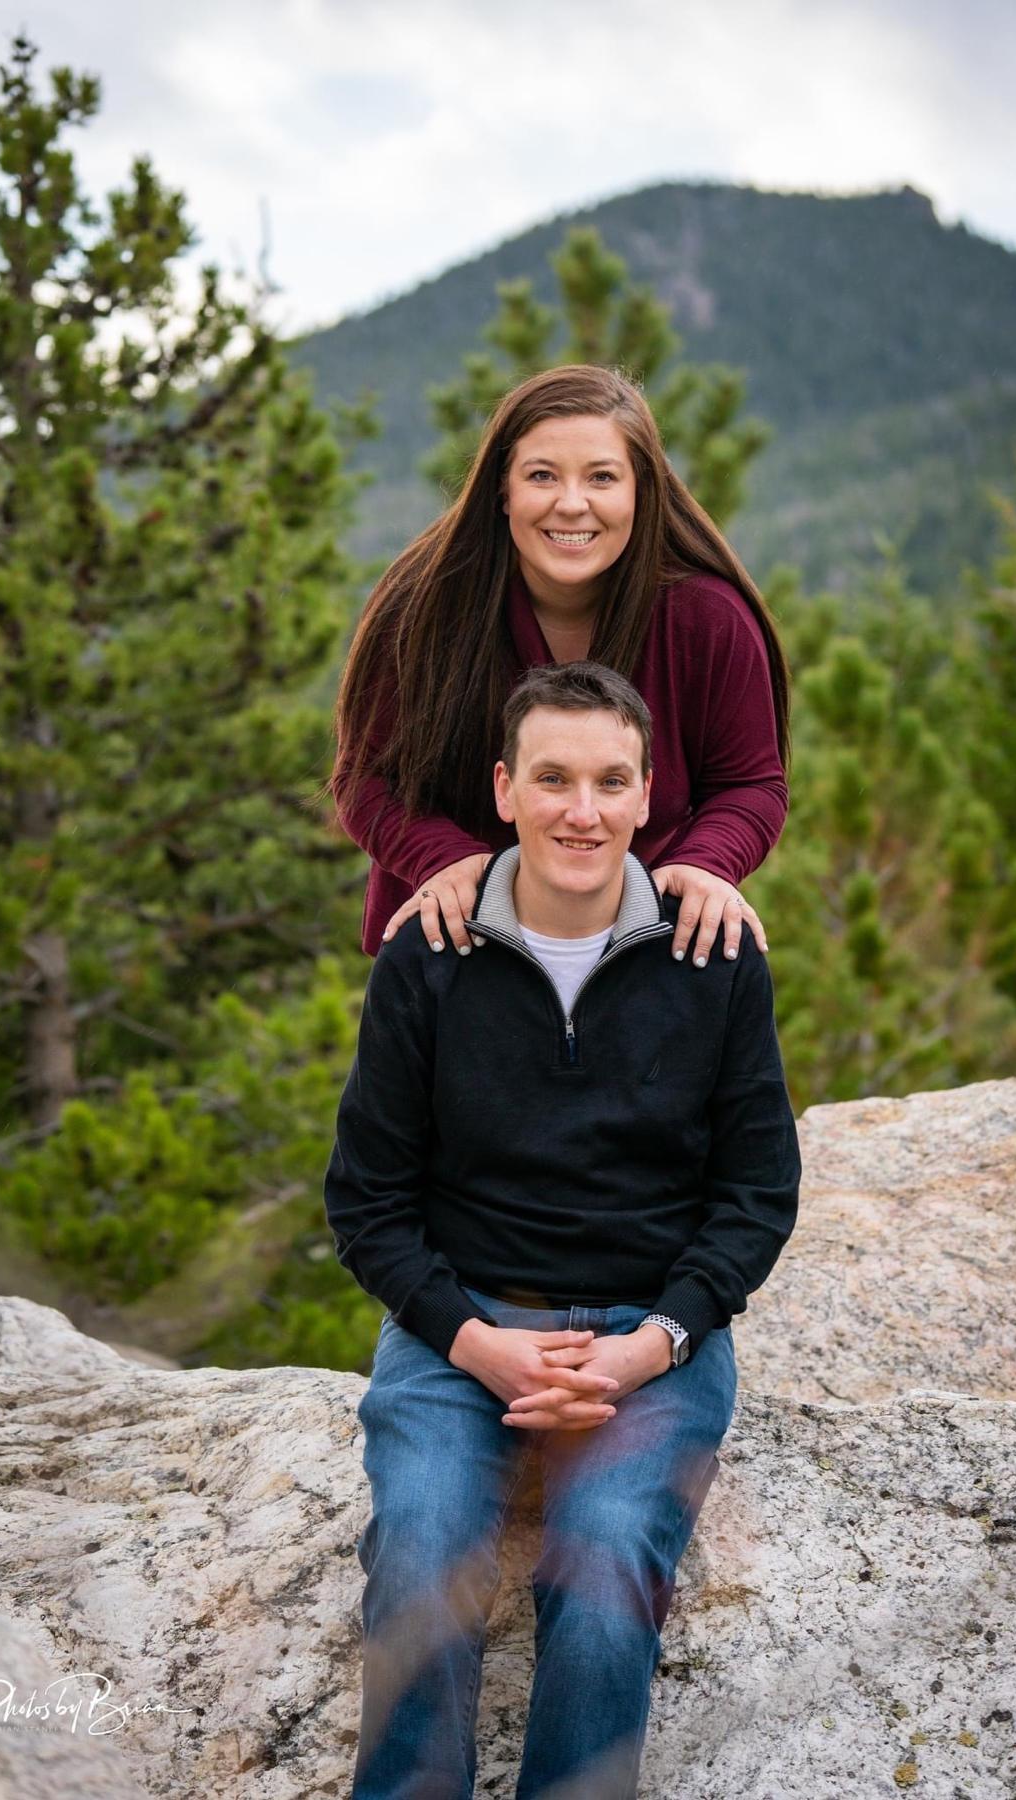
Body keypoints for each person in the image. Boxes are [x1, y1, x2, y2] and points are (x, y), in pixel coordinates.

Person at [325, 661, 801, 1799]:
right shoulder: (427, 954)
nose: (580, 812)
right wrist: (475, 1342)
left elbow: (755, 1193)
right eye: (551, 779)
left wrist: (653, 1346)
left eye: (609, 782)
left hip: (651, 1337)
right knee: (422, 1553)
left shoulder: (712, 954)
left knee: (604, 1570)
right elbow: (367, 1201)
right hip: (462, 1328)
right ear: (503, 789)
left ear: (647, 795)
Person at [332, 363, 790, 972]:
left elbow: (751, 784)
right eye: (542, 475)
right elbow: (364, 778)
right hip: (455, 951)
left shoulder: (708, 620)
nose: (572, 505)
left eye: (602, 477)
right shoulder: (422, 610)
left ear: (641, 491)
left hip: (648, 955)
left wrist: (706, 863)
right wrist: (441, 858)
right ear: (503, 489)